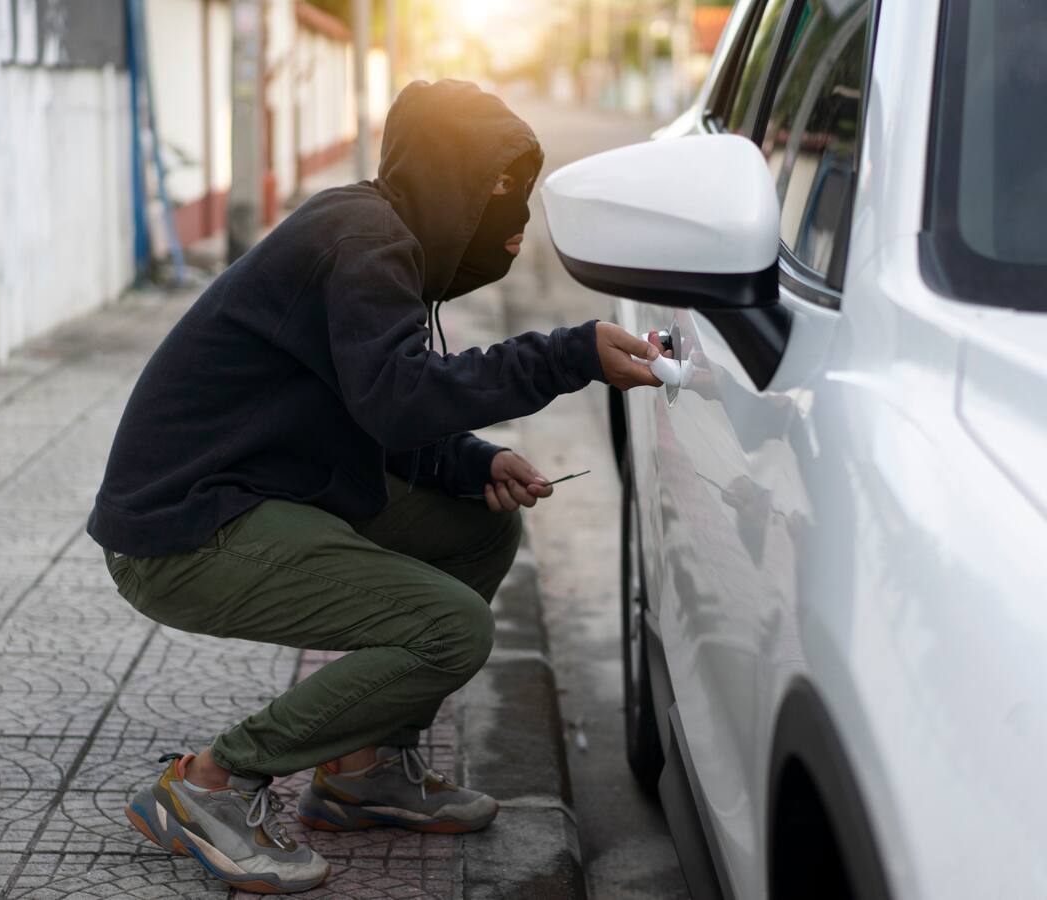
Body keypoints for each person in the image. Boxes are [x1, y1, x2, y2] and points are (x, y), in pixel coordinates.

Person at [88, 79, 667, 893]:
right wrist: (567, 356)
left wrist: (469, 462)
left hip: (257, 489)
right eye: (493, 188)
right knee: (451, 629)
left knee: (480, 528)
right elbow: (398, 398)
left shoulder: (372, 230)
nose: (510, 220)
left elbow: (371, 404)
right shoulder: (366, 239)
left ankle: (363, 772)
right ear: (446, 180)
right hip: (186, 528)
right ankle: (210, 784)